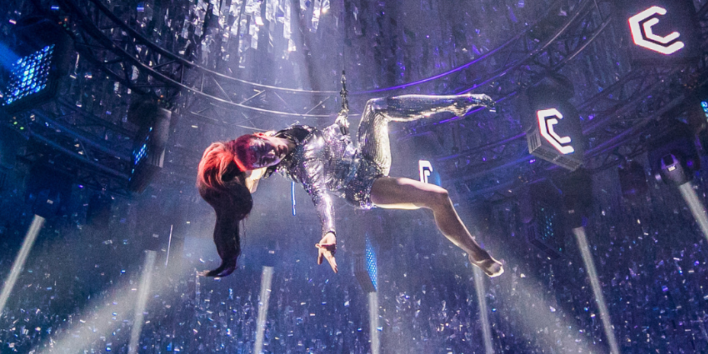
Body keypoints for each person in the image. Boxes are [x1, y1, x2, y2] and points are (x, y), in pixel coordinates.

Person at [196, 93, 503, 278]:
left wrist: (338, 127)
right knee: (438, 197)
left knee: (376, 107)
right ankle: (477, 254)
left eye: (264, 150)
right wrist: (328, 232)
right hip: (365, 183)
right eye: (264, 162)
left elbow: (318, 140)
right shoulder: (305, 165)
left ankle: (454, 103)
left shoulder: (274, 136)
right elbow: (320, 196)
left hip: (363, 153)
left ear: (260, 135)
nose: (270, 155)